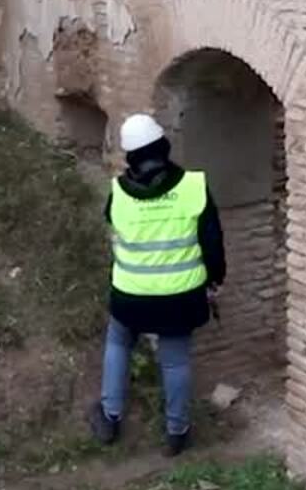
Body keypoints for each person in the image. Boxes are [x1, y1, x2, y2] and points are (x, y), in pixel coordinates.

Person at [89, 113, 225, 455]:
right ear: (164, 147)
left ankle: (110, 416)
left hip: (131, 297)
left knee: (118, 344)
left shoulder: (118, 193)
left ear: (130, 157)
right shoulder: (193, 186)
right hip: (181, 297)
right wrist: (216, 280)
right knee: (175, 361)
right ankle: (177, 433)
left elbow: (113, 231)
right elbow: (212, 242)